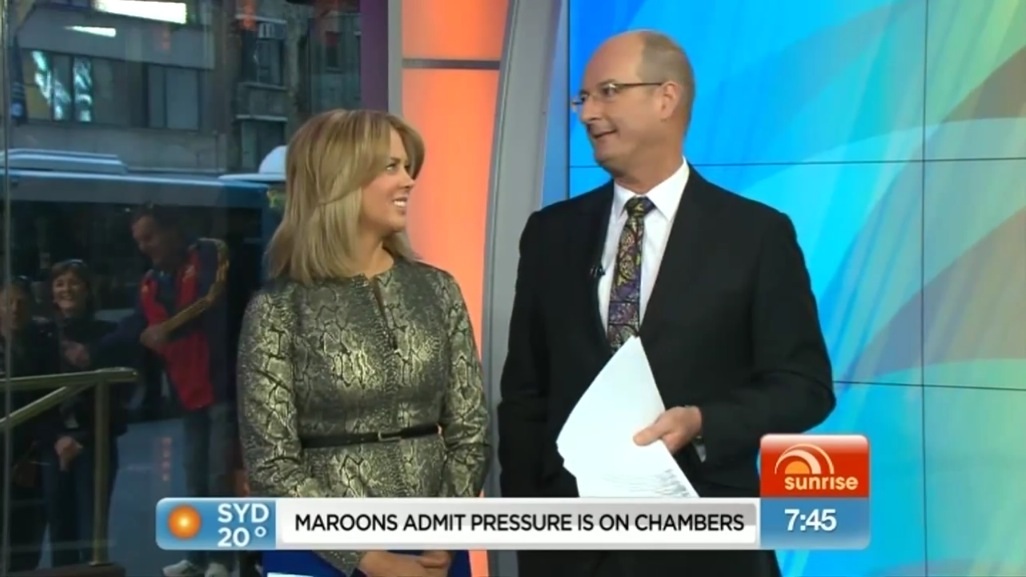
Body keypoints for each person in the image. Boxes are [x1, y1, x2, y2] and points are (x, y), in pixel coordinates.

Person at [497, 30, 836, 577]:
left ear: (666, 98)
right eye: (583, 98)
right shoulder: (550, 234)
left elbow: (804, 387)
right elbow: (524, 397)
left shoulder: (755, 236)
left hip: (703, 546)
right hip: (571, 552)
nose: (588, 114)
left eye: (608, 92)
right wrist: (529, 531)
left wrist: (702, 422)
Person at [237, 109, 489, 577]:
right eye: (391, 167)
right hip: (317, 552)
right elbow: (271, 463)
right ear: (339, 180)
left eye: (408, 166)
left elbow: (470, 429)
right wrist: (370, 559)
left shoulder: (437, 290)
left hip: (434, 550)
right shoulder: (278, 309)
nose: (409, 180)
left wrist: (444, 532)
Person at [63, 205, 236, 577]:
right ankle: (198, 556)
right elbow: (135, 326)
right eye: (139, 241)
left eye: (150, 237)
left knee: (219, 475)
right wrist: (93, 351)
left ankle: (224, 558)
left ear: (171, 230)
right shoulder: (150, 283)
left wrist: (166, 330)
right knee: (194, 476)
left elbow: (209, 300)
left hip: (221, 385)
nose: (145, 247)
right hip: (187, 390)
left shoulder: (207, 253)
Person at [43, 259, 125, 567]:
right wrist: (57, 437)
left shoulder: (108, 335)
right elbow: (34, 394)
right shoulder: (42, 336)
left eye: (74, 282)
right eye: (60, 283)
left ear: (88, 290)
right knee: (59, 529)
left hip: (96, 442)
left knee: (92, 528)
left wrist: (83, 437)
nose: (67, 289)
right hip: (52, 445)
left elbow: (120, 395)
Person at [0, 278, 54, 573]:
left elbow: (51, 403)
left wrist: (33, 454)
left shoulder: (44, 344)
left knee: (27, 536)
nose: (14, 309)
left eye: (21, 302)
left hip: (30, 455)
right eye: (7, 302)